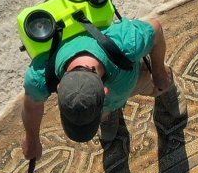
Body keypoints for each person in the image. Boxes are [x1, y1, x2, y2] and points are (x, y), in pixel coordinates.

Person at [20, 12, 177, 163]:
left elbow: (155, 28)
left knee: (160, 83)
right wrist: (32, 139)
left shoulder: (126, 43)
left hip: (133, 77)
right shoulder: (40, 78)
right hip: (115, 94)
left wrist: (158, 72)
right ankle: (107, 115)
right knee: (96, 110)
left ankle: (169, 87)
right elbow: (31, 107)